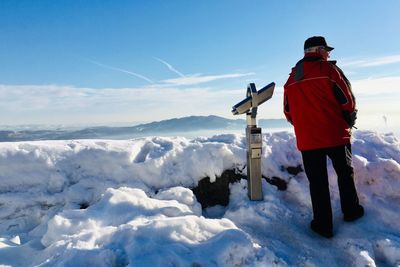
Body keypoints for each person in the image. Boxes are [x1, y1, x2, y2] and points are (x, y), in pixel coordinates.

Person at [283, 36, 364, 238]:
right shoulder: (329, 71)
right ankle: (351, 212)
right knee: (345, 174)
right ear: (318, 50)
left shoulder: (292, 79)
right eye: (327, 50)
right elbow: (348, 100)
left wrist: (304, 126)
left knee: (317, 183)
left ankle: (323, 225)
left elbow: (287, 111)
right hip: (335, 134)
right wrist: (347, 118)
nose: (329, 54)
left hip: (308, 140)